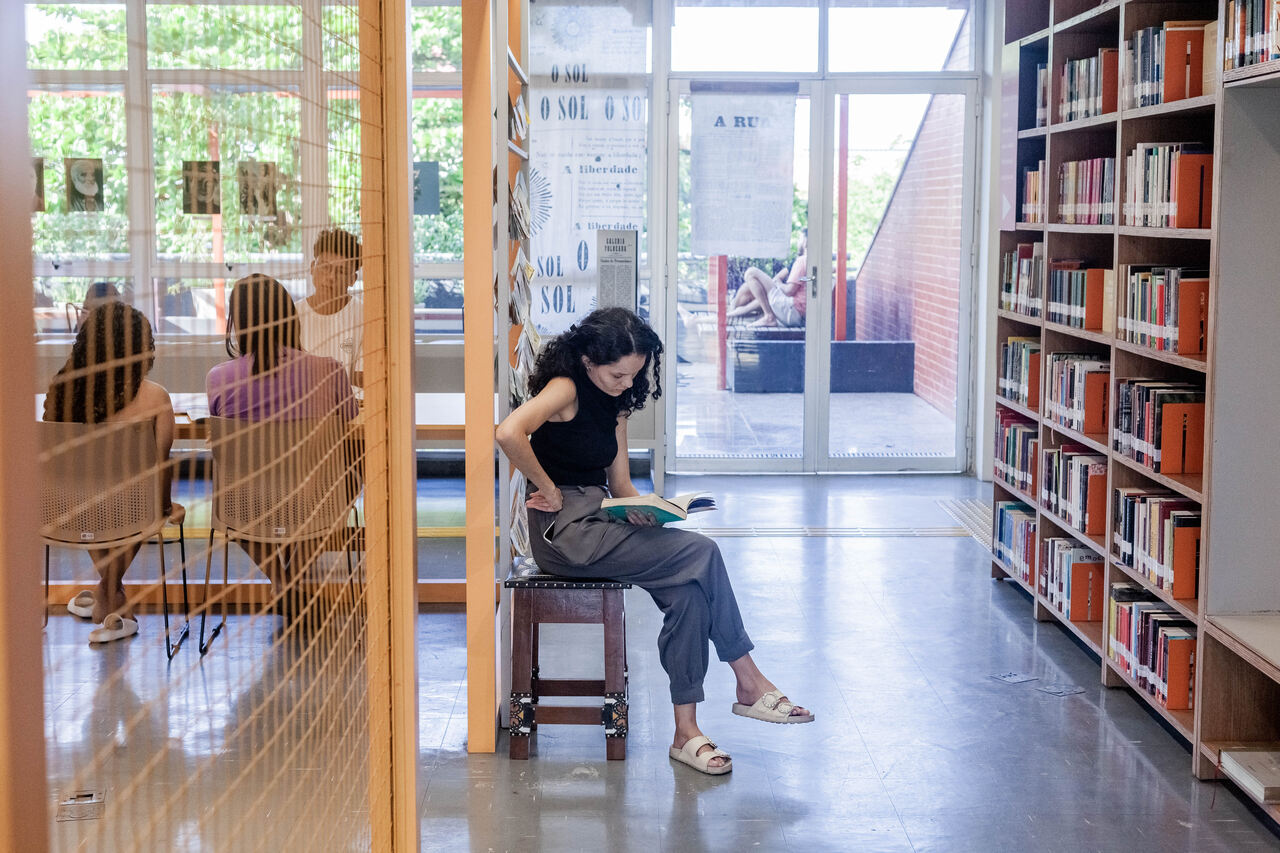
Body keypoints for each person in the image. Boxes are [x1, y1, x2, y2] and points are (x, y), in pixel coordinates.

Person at [495, 307, 812, 776]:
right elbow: (508, 433)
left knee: (688, 591)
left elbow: (620, 486)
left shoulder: (617, 407)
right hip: (566, 534)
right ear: (587, 362)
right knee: (702, 552)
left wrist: (649, 510)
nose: (625, 383)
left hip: (602, 519)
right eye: (616, 373)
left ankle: (687, 733)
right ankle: (749, 681)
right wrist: (548, 488)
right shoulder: (565, 388)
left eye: (634, 374)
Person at [206, 273, 359, 613]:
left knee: (230, 491)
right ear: (291, 317)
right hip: (317, 499)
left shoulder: (218, 379)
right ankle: (295, 580)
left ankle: (281, 582)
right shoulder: (329, 371)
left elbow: (220, 447)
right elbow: (350, 424)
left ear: (238, 323)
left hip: (247, 503)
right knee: (351, 473)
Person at [44, 302, 185, 643]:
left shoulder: (60, 392)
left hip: (67, 509)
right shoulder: (155, 398)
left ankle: (107, 592)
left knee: (98, 500)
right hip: (131, 510)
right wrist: (166, 507)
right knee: (142, 504)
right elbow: (161, 465)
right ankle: (111, 597)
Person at [296, 229, 363, 395]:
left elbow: (362, 381)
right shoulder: (292, 314)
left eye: (341, 271)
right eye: (325, 267)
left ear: (352, 279)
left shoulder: (365, 316)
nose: (331, 277)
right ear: (312, 267)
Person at [726, 231, 808, 328]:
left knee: (751, 273)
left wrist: (780, 284)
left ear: (805, 242)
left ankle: (766, 316)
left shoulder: (802, 261)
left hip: (791, 308)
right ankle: (734, 312)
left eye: (800, 239)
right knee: (749, 286)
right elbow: (778, 278)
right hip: (790, 307)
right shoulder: (805, 262)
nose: (798, 242)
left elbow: (789, 291)